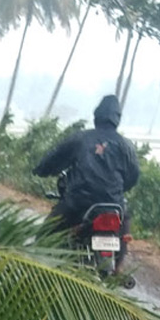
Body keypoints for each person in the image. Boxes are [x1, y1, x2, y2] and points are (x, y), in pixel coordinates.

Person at [33, 94, 140, 261]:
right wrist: (116, 190)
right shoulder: (126, 146)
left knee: (44, 235)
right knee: (124, 222)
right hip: (112, 204)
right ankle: (119, 266)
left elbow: (55, 158)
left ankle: (38, 269)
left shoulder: (81, 138)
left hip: (78, 202)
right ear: (117, 119)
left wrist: (41, 169)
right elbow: (133, 177)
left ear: (97, 115)